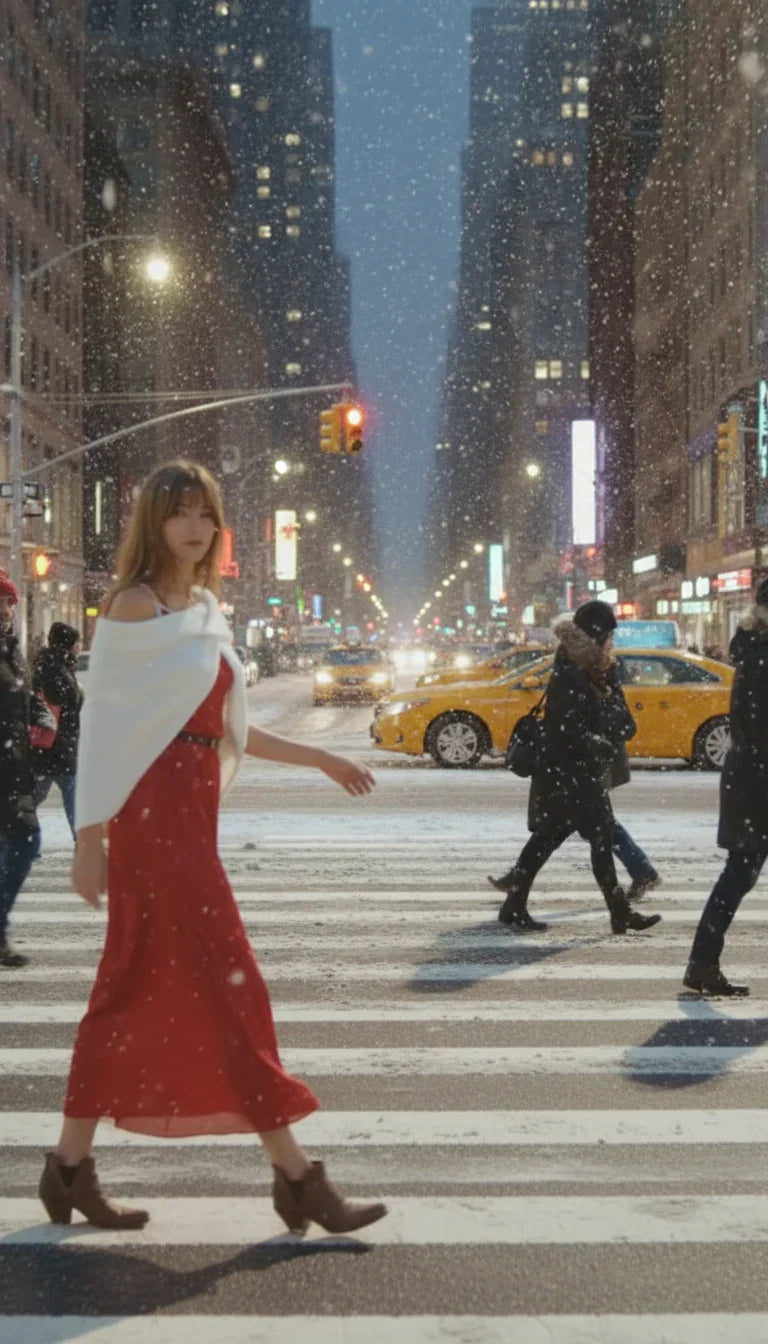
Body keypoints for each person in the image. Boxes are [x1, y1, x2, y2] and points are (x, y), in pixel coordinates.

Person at [39, 460, 387, 1235]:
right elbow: (104, 732)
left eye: (205, 514)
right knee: (230, 984)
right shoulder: (133, 605)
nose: (194, 527)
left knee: (129, 985)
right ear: (154, 523)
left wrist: (322, 757)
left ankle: (67, 1167)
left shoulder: (203, 608)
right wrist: (88, 839)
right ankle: (297, 1177)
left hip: (189, 814)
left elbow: (225, 728)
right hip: (148, 815)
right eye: (179, 513)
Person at [488, 601, 662, 935]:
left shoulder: (596, 667)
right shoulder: (572, 667)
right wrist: (596, 741)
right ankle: (618, 912)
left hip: (573, 773)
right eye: (609, 633)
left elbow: (615, 720)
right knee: (594, 838)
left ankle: (515, 904)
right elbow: (564, 726)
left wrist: (609, 702)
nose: (613, 640)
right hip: (570, 773)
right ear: (597, 634)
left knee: (552, 840)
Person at [683, 580, 768, 997]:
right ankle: (701, 962)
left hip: (749, 778)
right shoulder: (763, 657)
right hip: (759, 780)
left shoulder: (752, 651)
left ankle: (702, 963)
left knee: (737, 876)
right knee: (738, 875)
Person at [0, 576, 55, 967]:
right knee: (23, 843)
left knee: (23, 844)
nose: (5, 611)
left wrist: (39, 715)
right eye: (0, 603)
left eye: (9, 604)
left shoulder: (11, 650)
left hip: (14, 768)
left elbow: (22, 695)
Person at [32, 622, 82, 844]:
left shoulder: (55, 665)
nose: (79, 647)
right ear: (67, 643)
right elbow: (56, 702)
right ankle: (81, 842)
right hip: (56, 744)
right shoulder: (54, 668)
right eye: (76, 642)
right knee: (73, 796)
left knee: (36, 795)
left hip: (55, 744)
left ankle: (19, 837)